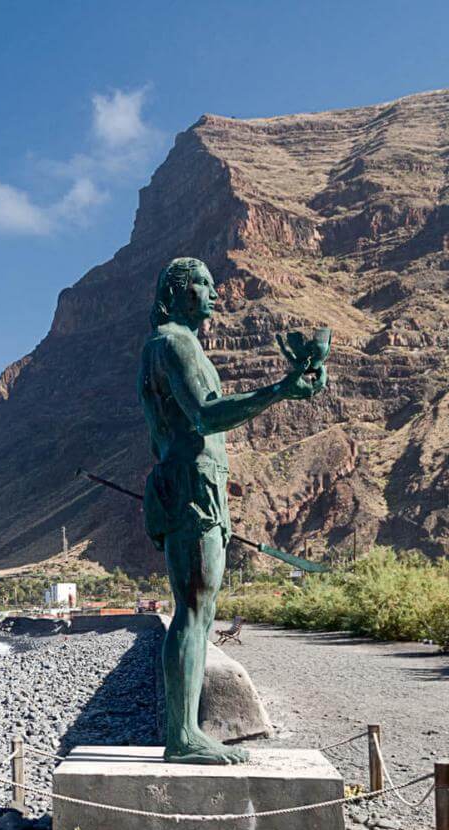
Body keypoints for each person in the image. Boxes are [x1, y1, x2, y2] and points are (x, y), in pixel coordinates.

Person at [138, 256, 328, 763]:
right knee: (194, 609)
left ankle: (188, 730)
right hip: (189, 484)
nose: (214, 294)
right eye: (202, 284)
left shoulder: (183, 345)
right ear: (176, 291)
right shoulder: (173, 344)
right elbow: (202, 416)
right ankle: (182, 737)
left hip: (201, 484)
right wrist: (281, 390)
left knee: (204, 610)